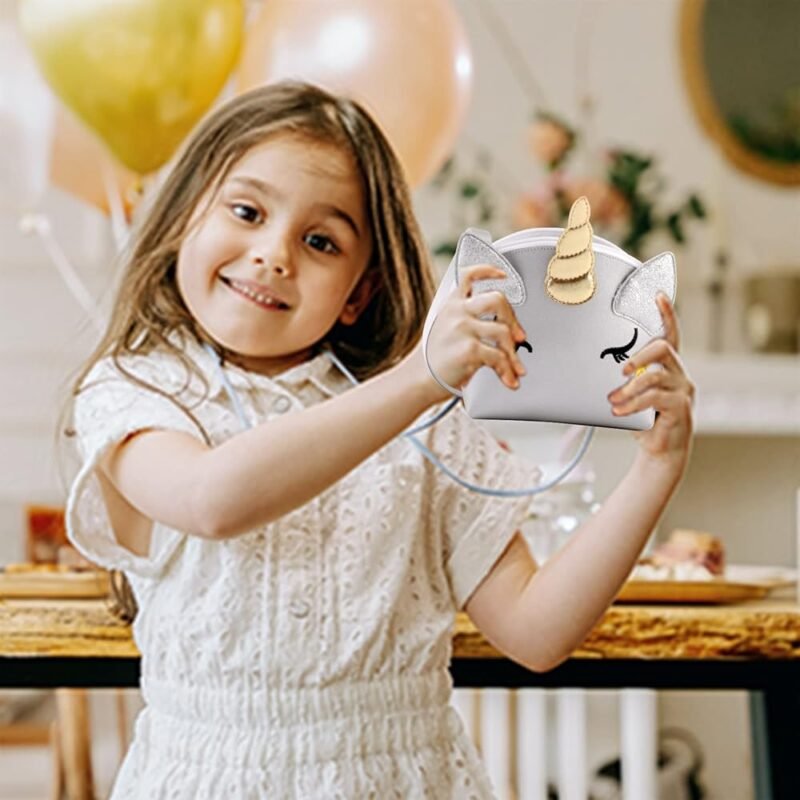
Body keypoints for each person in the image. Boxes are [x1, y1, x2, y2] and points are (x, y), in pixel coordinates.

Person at [62, 81, 695, 799]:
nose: (274, 254)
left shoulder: (431, 424)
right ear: (182, 221)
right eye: (246, 211)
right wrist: (422, 378)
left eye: (320, 241)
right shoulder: (137, 390)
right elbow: (214, 499)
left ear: (358, 292)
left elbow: (537, 632)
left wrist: (655, 469)